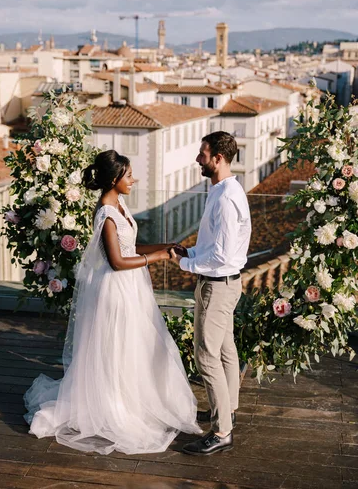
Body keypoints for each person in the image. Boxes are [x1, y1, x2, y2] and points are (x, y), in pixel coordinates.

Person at [24, 149, 201, 455]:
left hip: (131, 286)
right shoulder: (106, 212)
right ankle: (114, 407)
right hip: (116, 289)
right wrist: (157, 257)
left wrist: (166, 245)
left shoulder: (120, 203)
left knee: (133, 346)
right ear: (115, 179)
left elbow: (131, 245)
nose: (134, 179)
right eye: (129, 175)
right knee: (119, 346)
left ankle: (132, 398)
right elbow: (118, 261)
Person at [171, 131, 251, 456]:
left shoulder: (226, 197)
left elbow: (220, 255)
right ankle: (226, 411)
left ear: (218, 158)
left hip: (217, 286)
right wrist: (190, 251)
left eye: (202, 153)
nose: (197, 159)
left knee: (206, 355)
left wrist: (184, 264)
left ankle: (221, 431)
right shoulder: (223, 190)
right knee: (226, 349)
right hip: (226, 283)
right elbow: (215, 245)